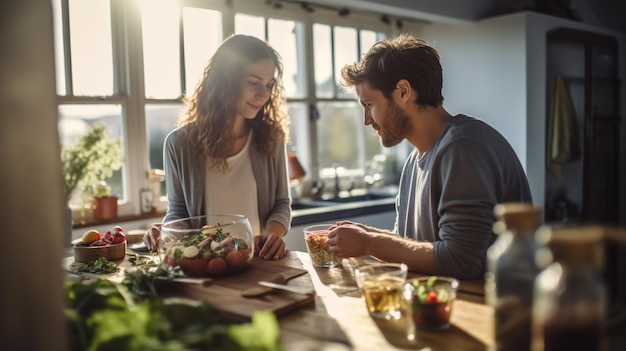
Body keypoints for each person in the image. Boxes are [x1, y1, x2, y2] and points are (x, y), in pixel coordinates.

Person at [327, 34, 532, 279]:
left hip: (491, 310)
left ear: (403, 91)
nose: (366, 120)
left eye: (369, 105)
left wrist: (371, 243)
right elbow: (415, 248)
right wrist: (367, 235)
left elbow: (460, 261)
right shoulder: (414, 163)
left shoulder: (463, 148)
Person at [143, 34, 291, 260]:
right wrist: (166, 233)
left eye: (269, 85)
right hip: (205, 265)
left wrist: (273, 233)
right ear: (226, 81)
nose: (263, 95)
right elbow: (178, 212)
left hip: (259, 263)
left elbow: (282, 204)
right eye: (253, 82)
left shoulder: (272, 138)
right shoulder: (179, 144)